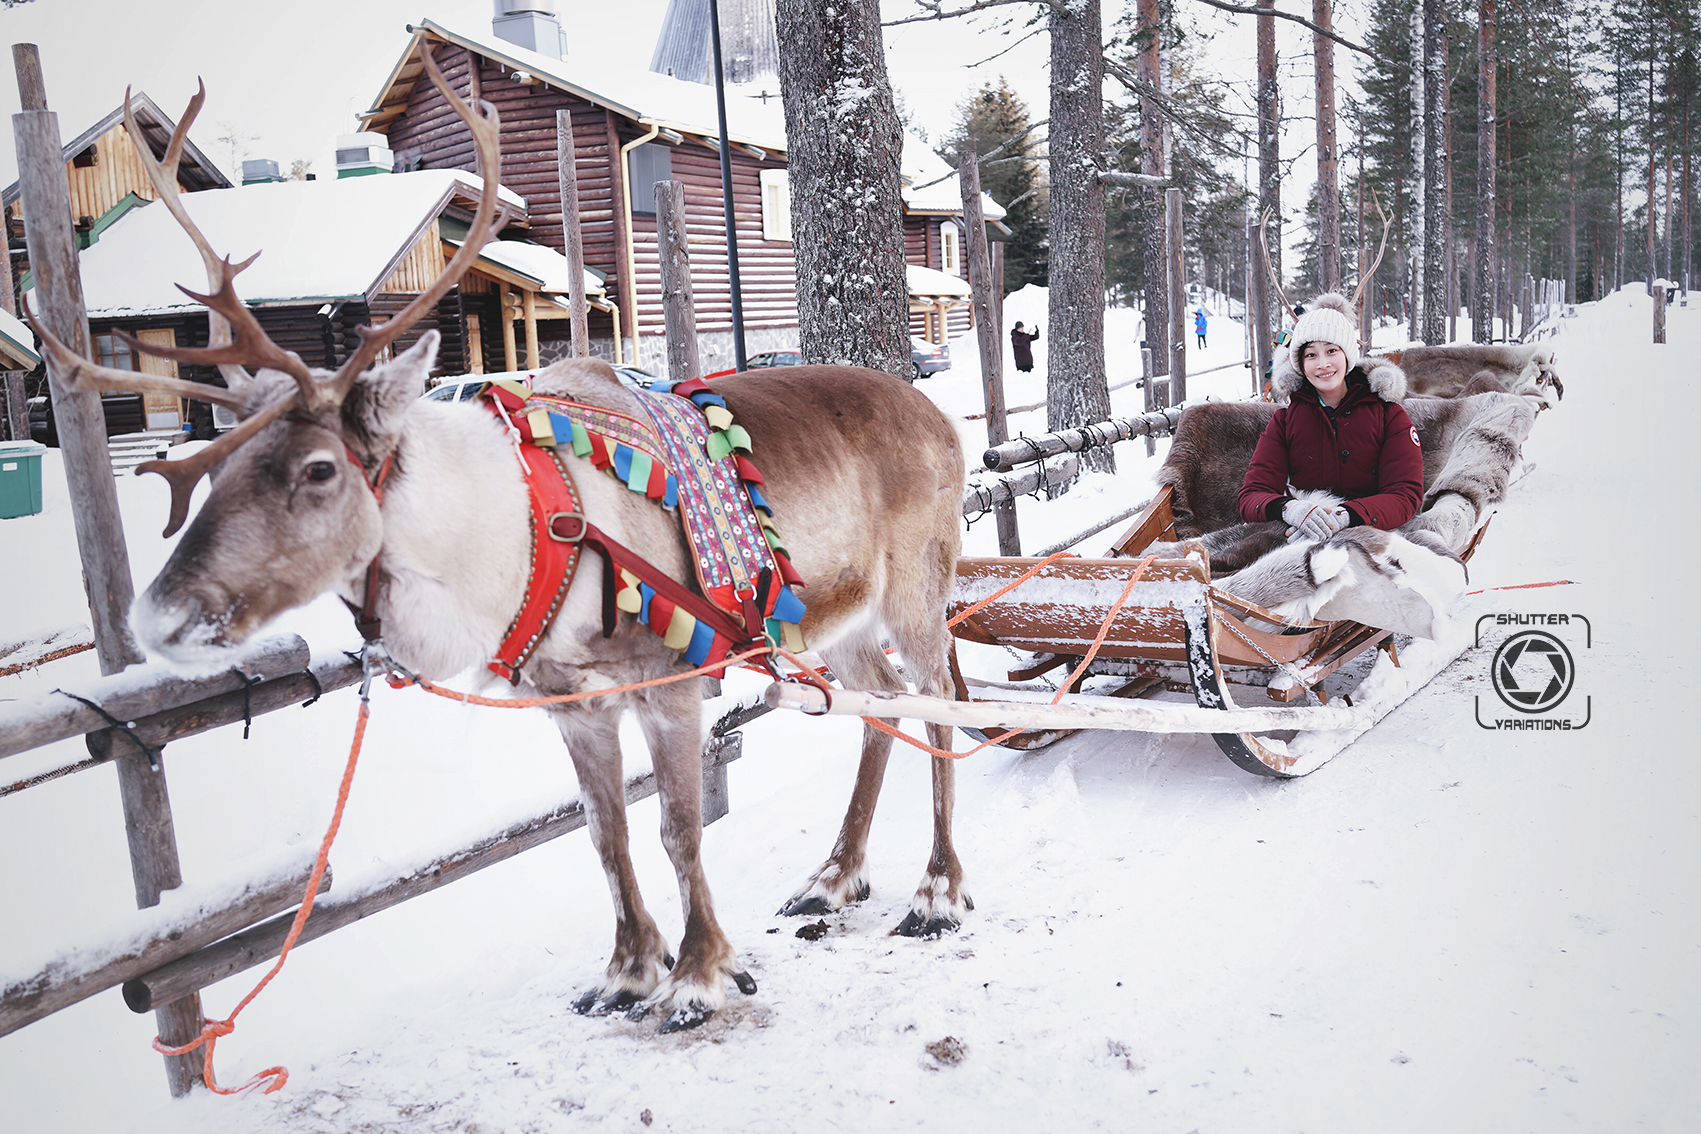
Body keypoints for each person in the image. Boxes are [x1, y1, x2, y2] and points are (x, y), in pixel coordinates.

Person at [1238, 293, 1423, 542]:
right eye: (1311, 355)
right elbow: (1252, 495)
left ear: (1347, 355)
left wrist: (1345, 516)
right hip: (1304, 537)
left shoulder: (1388, 415)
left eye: (1331, 350)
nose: (1323, 363)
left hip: (1373, 537)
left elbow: (1404, 495)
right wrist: (1290, 509)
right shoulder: (1285, 421)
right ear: (1301, 365)